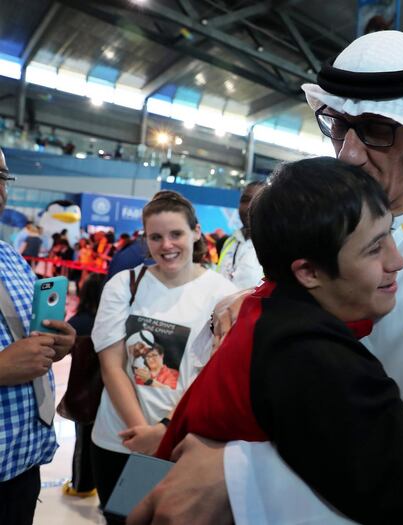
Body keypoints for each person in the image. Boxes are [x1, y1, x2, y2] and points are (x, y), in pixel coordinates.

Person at [130, 30, 403, 525]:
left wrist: (240, 470)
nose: (351, 152)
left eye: (376, 128)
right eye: (338, 126)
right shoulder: (329, 209)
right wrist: (259, 300)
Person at [155, 157, 403, 524]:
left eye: (390, 236)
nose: (398, 261)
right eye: (374, 248)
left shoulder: (266, 315)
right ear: (308, 271)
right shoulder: (311, 358)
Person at [90, 191, 237, 519]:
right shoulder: (124, 285)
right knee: (121, 519)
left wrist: (166, 433)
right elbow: (111, 366)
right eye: (156, 237)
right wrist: (143, 433)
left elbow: (216, 376)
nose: (167, 245)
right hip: (120, 439)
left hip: (183, 443)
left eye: (176, 234)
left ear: (196, 232)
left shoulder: (223, 295)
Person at [0, 147, 77, 525]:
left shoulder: (11, 258)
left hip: (21, 464)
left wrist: (58, 343)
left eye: (1, 176)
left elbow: (30, 335)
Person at [62, 272, 104, 499]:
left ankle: (82, 485)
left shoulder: (77, 323)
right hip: (110, 393)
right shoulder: (112, 321)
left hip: (83, 391)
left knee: (83, 442)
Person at [216, 181, 263, 290]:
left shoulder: (274, 247)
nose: (248, 207)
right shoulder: (230, 241)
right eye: (245, 200)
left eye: (256, 201)